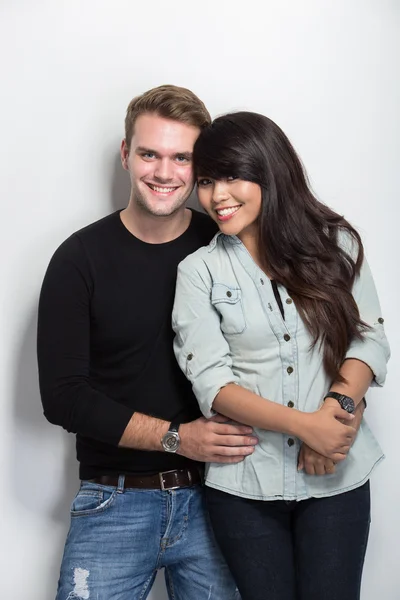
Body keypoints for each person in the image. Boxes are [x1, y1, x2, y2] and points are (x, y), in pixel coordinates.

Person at [37, 86, 258, 600]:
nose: (164, 172)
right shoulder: (78, 260)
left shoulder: (226, 247)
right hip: (113, 503)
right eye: (149, 154)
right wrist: (179, 438)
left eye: (182, 157)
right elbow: (64, 396)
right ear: (125, 154)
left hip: (222, 496)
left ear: (199, 165)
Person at [172, 111, 390, 600]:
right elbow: (213, 385)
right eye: (206, 181)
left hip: (338, 473)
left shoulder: (336, 243)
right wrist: (303, 426)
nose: (217, 196)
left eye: (231, 175)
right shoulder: (198, 272)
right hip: (245, 486)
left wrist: (335, 412)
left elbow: (369, 338)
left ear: (268, 169)